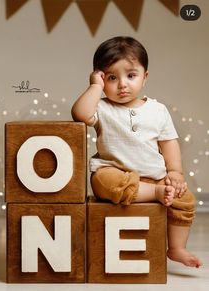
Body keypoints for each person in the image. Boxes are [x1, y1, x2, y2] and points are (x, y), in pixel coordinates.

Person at [71, 36, 202, 268]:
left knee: (185, 199)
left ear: (145, 77)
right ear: (101, 78)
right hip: (114, 173)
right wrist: (95, 87)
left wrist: (175, 172)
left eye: (131, 75)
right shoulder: (102, 107)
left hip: (154, 175)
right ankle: (155, 192)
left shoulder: (158, 110)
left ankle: (176, 248)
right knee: (105, 182)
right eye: (112, 77)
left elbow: (169, 142)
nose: (122, 84)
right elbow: (79, 114)